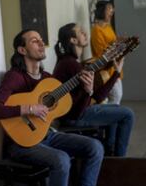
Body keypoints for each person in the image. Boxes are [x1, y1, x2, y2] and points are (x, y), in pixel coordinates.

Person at [0, 29, 111, 186]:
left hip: (47, 135)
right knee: (61, 159)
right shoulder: (14, 77)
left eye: (42, 40)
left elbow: (74, 114)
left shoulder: (48, 80)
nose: (41, 43)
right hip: (21, 144)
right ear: (22, 49)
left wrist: (87, 92)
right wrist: (27, 109)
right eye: (35, 41)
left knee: (95, 147)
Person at [53, 23, 134, 157]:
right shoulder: (70, 64)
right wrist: (115, 74)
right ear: (73, 40)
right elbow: (94, 99)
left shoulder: (70, 62)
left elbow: (96, 97)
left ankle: (110, 154)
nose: (85, 33)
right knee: (128, 114)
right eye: (80, 32)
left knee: (115, 109)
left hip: (78, 111)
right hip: (75, 116)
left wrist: (116, 72)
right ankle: (120, 161)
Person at [91, 0, 123, 104]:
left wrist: (121, 41)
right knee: (115, 97)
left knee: (117, 96)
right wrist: (116, 47)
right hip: (106, 70)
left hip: (114, 67)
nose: (112, 11)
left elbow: (112, 42)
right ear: (101, 11)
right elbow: (101, 53)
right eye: (109, 8)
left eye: (112, 9)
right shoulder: (96, 30)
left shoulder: (108, 27)